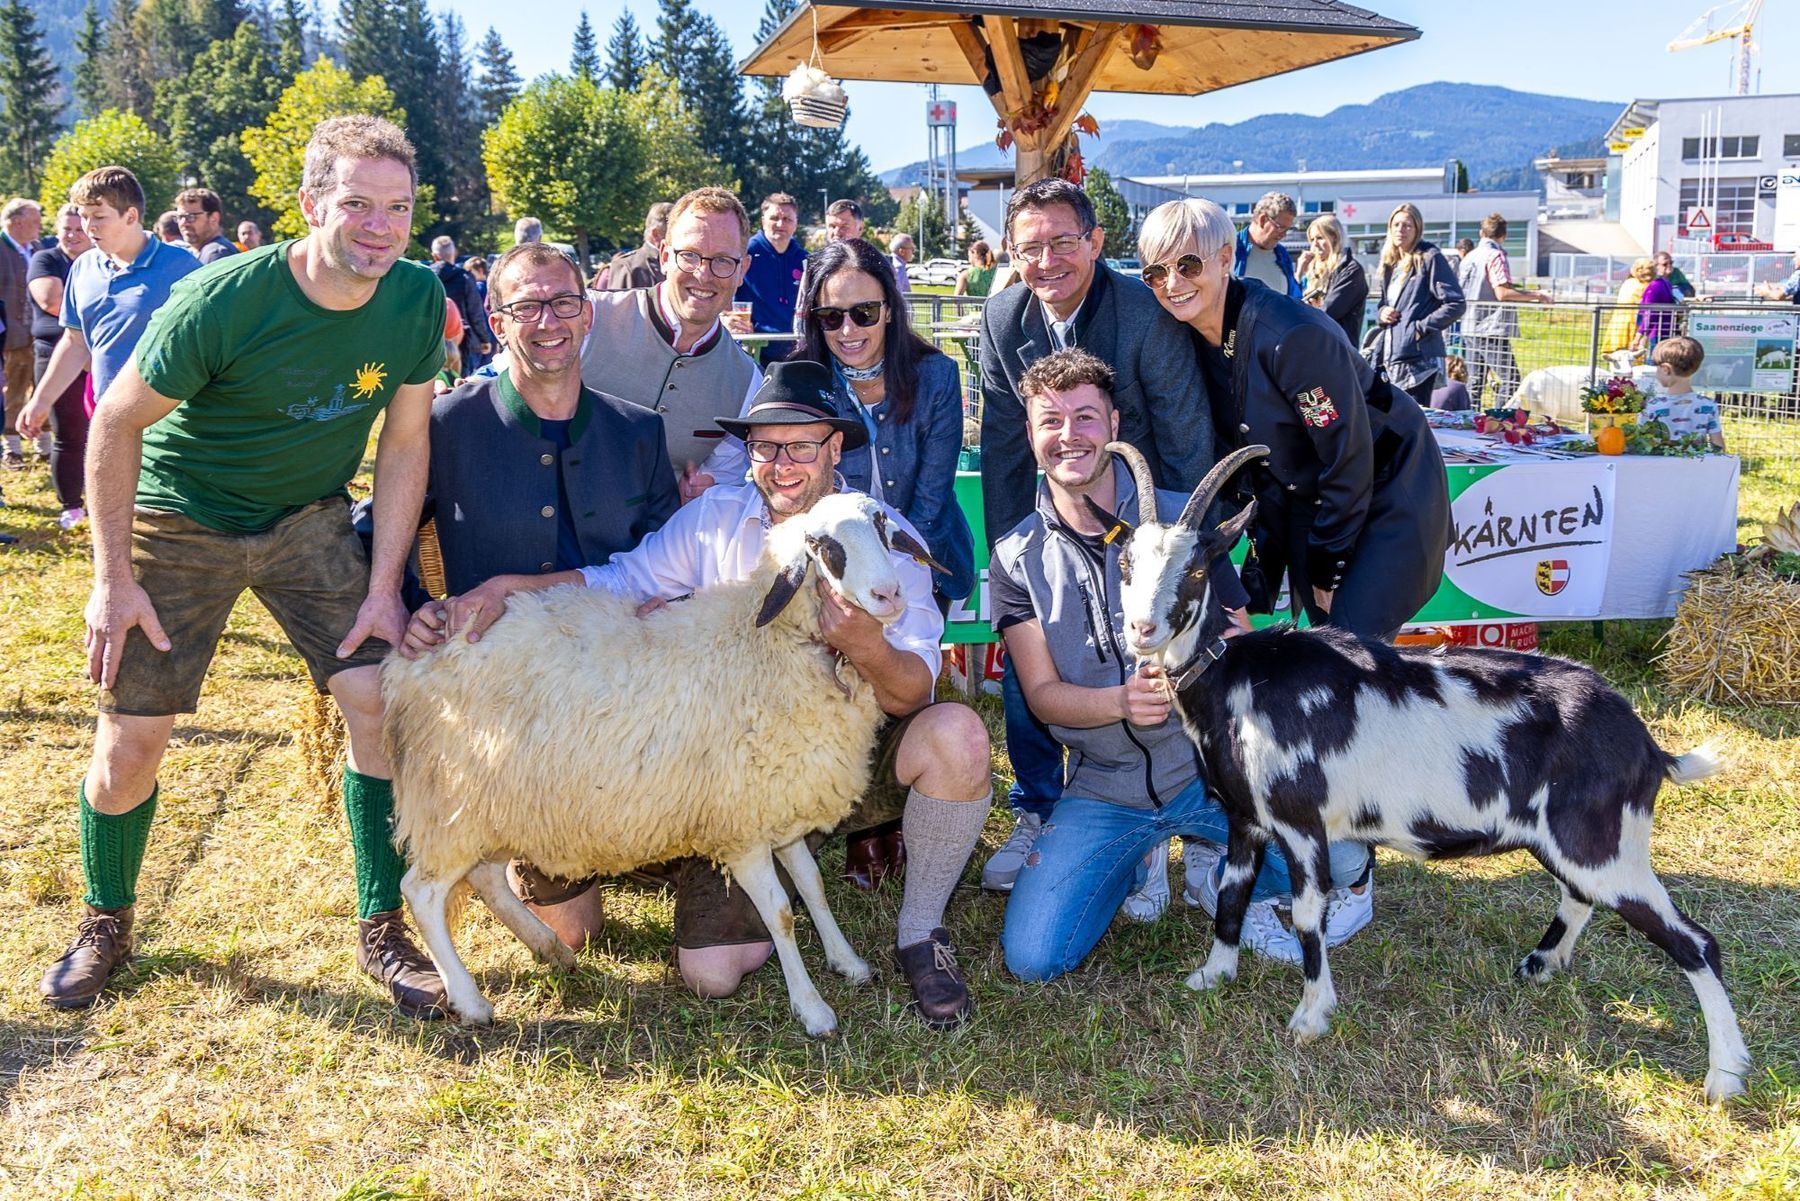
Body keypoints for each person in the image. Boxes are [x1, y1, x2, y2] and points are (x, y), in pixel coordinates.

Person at [401, 360, 995, 1028]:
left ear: (834, 447)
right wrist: (504, 587)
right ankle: (639, 850)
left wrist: (864, 644)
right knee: (573, 929)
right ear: (749, 453)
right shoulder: (717, 517)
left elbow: (916, 686)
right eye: (766, 446)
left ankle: (921, 932)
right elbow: (618, 577)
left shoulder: (876, 535)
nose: (784, 462)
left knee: (717, 970)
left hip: (827, 754)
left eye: (802, 444)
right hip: (709, 762)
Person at [35, 116, 449, 1019]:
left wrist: (383, 588)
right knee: (134, 738)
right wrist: (114, 579)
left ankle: (383, 926)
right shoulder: (223, 298)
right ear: (310, 206)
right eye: (356, 205)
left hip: (307, 518)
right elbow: (114, 422)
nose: (380, 225)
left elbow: (407, 442)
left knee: (377, 699)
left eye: (398, 207)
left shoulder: (416, 299)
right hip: (178, 517)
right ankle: (106, 918)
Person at [991, 347, 1374, 975]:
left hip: (1208, 770)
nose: (1069, 436)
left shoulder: (1184, 520)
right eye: (1050, 422)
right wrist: (1118, 703)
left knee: (1346, 857)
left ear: (1114, 425)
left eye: (1085, 418)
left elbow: (1245, 645)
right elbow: (1040, 695)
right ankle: (1136, 860)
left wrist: (1192, 681)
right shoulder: (1018, 555)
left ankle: (1217, 863)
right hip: (1104, 786)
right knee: (1035, 957)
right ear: (1029, 433)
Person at [1138, 195, 1452, 910]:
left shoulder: (1290, 334)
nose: (1172, 282)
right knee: (1316, 670)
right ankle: (1332, 837)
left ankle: (1356, 870)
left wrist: (1332, 573)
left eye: (1188, 263)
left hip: (1387, 503)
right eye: (1157, 271)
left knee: (1347, 673)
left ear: (1227, 257)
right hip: (1316, 506)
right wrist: (1255, 580)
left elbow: (1347, 459)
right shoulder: (1200, 337)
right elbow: (1269, 474)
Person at [411, 241, 681, 949]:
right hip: (516, 704)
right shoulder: (446, 424)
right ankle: (542, 841)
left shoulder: (638, 431)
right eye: (526, 305)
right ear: (497, 323)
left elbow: (667, 561)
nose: (548, 320)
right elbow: (379, 531)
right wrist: (411, 601)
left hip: (619, 690)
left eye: (563, 302)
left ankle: (634, 826)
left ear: (587, 314)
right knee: (576, 933)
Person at [977, 176, 1215, 894]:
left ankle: (1193, 810)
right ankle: (1040, 805)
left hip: (1144, 522)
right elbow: (1001, 446)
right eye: (1029, 248)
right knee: (1033, 656)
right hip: (1057, 522)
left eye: (1062, 242)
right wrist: (1010, 566)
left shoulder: (1144, 316)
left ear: (1096, 243)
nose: (1046, 261)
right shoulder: (1001, 317)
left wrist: (1179, 557)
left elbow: (1183, 437)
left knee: (1161, 662)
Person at [790, 238, 976, 886]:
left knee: (901, 682)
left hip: (921, 555)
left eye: (863, 313)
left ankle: (887, 820)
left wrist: (884, 590)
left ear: (890, 310)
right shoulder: (796, 376)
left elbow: (926, 503)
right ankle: (848, 814)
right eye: (830, 317)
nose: (847, 330)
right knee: (838, 691)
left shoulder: (935, 376)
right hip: (829, 566)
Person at [580, 187, 759, 503]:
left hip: (655, 545)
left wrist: (707, 492)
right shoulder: (589, 319)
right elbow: (504, 384)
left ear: (742, 270)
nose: (703, 274)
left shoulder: (745, 381)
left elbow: (724, 480)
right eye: (689, 255)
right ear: (664, 256)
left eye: (722, 260)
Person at [27, 167, 201, 457]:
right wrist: (41, 401)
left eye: (98, 217)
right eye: (83, 216)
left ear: (130, 216)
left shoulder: (183, 267)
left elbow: (208, 344)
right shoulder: (82, 267)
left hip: (169, 423)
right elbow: (75, 342)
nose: (88, 227)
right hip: (106, 413)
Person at [17, 204, 93, 529]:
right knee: (70, 435)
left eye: (80, 229)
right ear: (57, 229)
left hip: (102, 354)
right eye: (67, 229)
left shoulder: (102, 262)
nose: (73, 235)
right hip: (56, 354)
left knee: (105, 433)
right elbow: (51, 301)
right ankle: (72, 505)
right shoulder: (46, 259)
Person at [1368, 202, 1465, 409]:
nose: (1400, 230)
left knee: (1411, 423)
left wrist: (1420, 329)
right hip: (1392, 356)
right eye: (1396, 225)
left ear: (1417, 229)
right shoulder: (1391, 263)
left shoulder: (1430, 257)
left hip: (1419, 360)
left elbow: (1456, 303)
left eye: (1407, 225)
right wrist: (1382, 312)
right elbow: (1384, 303)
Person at [1458, 213, 1549, 408]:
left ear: (1481, 233)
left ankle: (1468, 423)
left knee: (1475, 382)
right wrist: (1537, 295)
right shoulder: (1495, 255)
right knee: (1511, 380)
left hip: (1468, 324)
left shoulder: (1469, 257)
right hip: (1489, 326)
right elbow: (1502, 292)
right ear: (1503, 236)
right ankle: (1495, 421)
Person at [736, 192, 807, 366]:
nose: (780, 224)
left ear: (796, 223)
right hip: (754, 351)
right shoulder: (744, 254)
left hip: (797, 352)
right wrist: (725, 315)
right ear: (763, 220)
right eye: (774, 218)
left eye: (787, 219)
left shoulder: (805, 260)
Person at [0, 197, 43, 469]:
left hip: (37, 335)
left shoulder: (36, 248)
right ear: (17, 223)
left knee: (42, 388)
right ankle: (11, 448)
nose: (40, 226)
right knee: (12, 391)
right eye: (35, 221)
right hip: (11, 337)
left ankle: (43, 445)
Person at [1643, 335, 1724, 451]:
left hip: (1660, 467)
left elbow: (1641, 445)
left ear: (1665, 369)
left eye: (1656, 366)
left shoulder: (1652, 406)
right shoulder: (1709, 405)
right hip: (1697, 466)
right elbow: (1719, 447)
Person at [1298, 213, 1367, 347]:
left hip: (1338, 351)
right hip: (1316, 347)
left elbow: (1328, 312)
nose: (1315, 244)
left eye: (1320, 238)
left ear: (1334, 237)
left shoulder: (1351, 270)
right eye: (1312, 240)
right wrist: (1299, 274)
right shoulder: (1314, 270)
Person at [428, 235, 494, 371]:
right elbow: (475, 311)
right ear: (455, 253)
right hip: (465, 341)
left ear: (434, 256)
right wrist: (484, 338)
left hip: (431, 340)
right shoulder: (464, 277)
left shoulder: (425, 278)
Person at [1231, 191, 1300, 299]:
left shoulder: (1282, 255)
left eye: (1288, 230)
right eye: (1280, 228)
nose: (1283, 235)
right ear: (1262, 220)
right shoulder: (1230, 249)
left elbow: (1294, 295)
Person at [603, 202, 671, 291]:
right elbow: (617, 303)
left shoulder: (680, 262)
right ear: (655, 234)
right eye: (673, 233)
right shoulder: (627, 266)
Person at [1602, 258, 1653, 355]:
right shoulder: (1645, 286)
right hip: (1633, 322)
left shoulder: (1628, 282)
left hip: (1618, 321)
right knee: (1633, 355)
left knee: (1619, 354)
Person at [174, 188, 238, 264]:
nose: (183, 223)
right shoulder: (202, 253)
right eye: (180, 217)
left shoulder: (217, 254)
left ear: (214, 218)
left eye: (190, 217)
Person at [1636, 259, 1679, 352]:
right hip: (1667, 328)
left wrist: (1638, 336)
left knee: (1655, 358)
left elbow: (1649, 313)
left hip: (1657, 331)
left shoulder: (1653, 287)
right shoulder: (1664, 282)